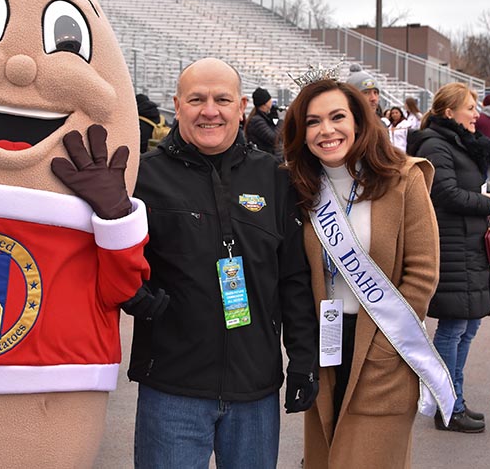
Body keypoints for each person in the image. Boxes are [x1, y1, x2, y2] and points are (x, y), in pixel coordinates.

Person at [129, 58, 318, 468]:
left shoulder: (274, 178)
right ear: (177, 106)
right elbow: (116, 263)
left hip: (255, 391)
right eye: (196, 99)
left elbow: (293, 280)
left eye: (221, 99)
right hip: (173, 390)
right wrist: (134, 296)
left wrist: (303, 359)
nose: (209, 110)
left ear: (241, 106)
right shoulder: (142, 178)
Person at [283, 77, 445, 468]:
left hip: (383, 343)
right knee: (325, 455)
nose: (327, 130)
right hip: (327, 344)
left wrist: (386, 348)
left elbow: (423, 272)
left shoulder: (403, 178)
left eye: (337, 117)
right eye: (313, 121)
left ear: (359, 120)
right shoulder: (299, 186)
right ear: (301, 133)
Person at [407, 82, 490, 433]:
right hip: (452, 247)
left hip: (468, 245)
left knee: (469, 324)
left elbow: (475, 186)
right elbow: (447, 194)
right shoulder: (437, 144)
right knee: (453, 327)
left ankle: (456, 399)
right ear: (449, 112)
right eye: (470, 107)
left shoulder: (456, 142)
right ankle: (449, 406)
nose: (477, 113)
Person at [244, 86, 282, 158]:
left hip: (268, 159)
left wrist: (274, 116)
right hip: (263, 161)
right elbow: (274, 139)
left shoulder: (263, 117)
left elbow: (273, 129)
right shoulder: (256, 121)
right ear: (265, 103)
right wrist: (281, 120)